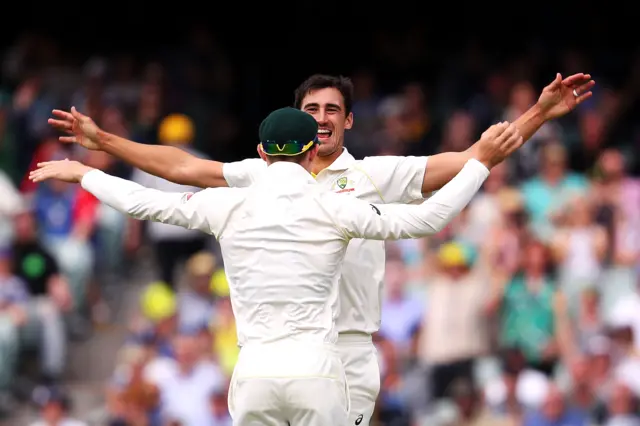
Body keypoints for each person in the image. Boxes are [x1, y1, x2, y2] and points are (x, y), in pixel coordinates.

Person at [46, 72, 594, 426]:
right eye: (313, 109)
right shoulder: (261, 176)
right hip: (295, 354)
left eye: (333, 109)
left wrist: (538, 115)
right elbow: (183, 167)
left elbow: (479, 153)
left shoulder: (378, 175)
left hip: (349, 350)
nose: (323, 117)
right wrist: (106, 143)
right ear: (302, 128)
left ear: (349, 121)